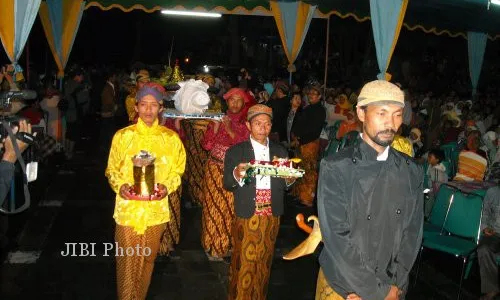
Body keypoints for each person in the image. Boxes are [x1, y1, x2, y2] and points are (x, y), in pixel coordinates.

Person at [316, 80, 424, 300]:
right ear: (361, 113)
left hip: (393, 285)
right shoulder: (336, 167)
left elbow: (413, 233)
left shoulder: (412, 170)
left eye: (396, 114)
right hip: (345, 285)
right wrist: (373, 290)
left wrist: (395, 284)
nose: (390, 124)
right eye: (382, 113)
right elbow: (337, 238)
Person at [105, 83, 186, 300]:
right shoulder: (123, 136)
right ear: (137, 107)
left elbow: (178, 171)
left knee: (147, 261)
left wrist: (166, 186)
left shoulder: (170, 139)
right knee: (128, 261)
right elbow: (111, 169)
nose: (148, 110)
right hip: (128, 210)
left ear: (161, 108)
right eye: (144, 105)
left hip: (155, 210)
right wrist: (120, 186)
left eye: (153, 105)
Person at [223, 104, 295, 299]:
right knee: (244, 260)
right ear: (248, 125)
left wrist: (290, 178)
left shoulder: (280, 151)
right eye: (257, 123)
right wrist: (238, 174)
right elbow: (228, 184)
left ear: (271, 126)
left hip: (271, 212)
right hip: (248, 210)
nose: (263, 127)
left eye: (267, 123)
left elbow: (286, 183)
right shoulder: (236, 152)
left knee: (264, 260)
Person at [200, 87, 252, 261]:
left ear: (244, 103)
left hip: (235, 171)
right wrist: (215, 128)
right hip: (215, 168)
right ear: (227, 102)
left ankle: (227, 244)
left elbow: (243, 146)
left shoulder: (246, 124)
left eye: (239, 100)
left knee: (230, 209)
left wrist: (229, 128)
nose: (235, 103)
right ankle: (213, 246)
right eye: (232, 100)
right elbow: (206, 145)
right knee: (213, 206)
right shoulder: (217, 119)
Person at [291, 85, 326, 207]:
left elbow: (314, 131)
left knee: (309, 171)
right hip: (301, 142)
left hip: (309, 143)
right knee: (300, 169)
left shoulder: (319, 110)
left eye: (314, 94)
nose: (310, 96)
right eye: (309, 93)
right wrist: (295, 136)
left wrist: (300, 140)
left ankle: (307, 199)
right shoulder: (308, 108)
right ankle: (300, 195)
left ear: (319, 96)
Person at [478, 186, 500, 300]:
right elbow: (484, 212)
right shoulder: (493, 192)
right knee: (484, 249)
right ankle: (492, 289)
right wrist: (485, 227)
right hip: (495, 234)